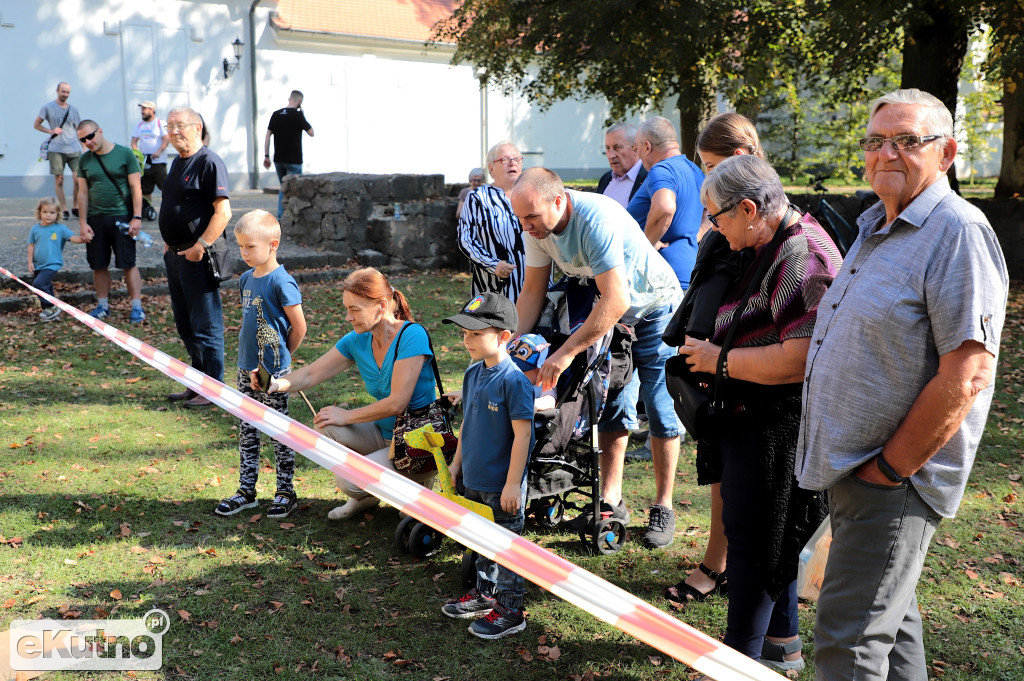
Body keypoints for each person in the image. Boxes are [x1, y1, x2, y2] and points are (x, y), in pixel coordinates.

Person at [796, 88, 1008, 681]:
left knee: (849, 644)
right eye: (876, 140)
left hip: (892, 480)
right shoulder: (875, 224)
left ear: (947, 154)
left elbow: (967, 374)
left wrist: (888, 471)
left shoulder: (958, 232)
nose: (886, 152)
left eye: (908, 140)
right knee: (890, 635)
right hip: (854, 471)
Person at [676, 154, 841, 674]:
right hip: (750, 414)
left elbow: (799, 357)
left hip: (775, 424)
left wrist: (717, 359)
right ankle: (782, 645)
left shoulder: (802, 258)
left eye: (716, 217)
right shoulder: (768, 241)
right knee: (775, 535)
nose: (713, 230)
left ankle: (737, 662)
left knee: (752, 544)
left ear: (749, 209)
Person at [509, 167, 684, 549]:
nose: (526, 226)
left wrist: (566, 352)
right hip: (611, 313)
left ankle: (664, 505)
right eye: (520, 217)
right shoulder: (536, 226)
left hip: (653, 308)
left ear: (559, 201)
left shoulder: (595, 219)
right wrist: (514, 346)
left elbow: (618, 298)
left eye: (532, 217)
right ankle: (611, 499)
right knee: (610, 401)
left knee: (657, 404)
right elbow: (532, 290)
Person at [663, 112, 765, 604]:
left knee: (740, 475)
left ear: (741, 158)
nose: (705, 175)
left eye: (711, 164)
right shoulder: (727, 217)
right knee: (723, 468)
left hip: (746, 365)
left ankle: (723, 566)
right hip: (716, 358)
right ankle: (722, 561)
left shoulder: (761, 226)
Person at [263, 268, 440, 520]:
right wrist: (276, 384)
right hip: (383, 434)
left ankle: (418, 488)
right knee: (325, 428)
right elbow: (312, 373)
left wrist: (346, 416)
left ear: (381, 305)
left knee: (350, 479)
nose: (348, 317)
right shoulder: (357, 340)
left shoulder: (412, 335)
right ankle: (367, 498)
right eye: (347, 309)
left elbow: (397, 403)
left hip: (416, 442)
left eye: (355, 309)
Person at [440, 292, 534, 640]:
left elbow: (523, 437)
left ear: (504, 336)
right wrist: (455, 465)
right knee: (480, 540)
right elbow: (466, 425)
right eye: (464, 332)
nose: (466, 340)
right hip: (474, 479)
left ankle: (511, 610)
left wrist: (513, 484)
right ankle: (485, 594)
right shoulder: (472, 374)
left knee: (508, 548)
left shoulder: (514, 381)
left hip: (501, 485)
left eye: (476, 333)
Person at [215, 210, 307, 519]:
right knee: (247, 429)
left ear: (273, 244)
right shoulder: (244, 279)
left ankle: (285, 491)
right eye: (240, 246)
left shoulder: (283, 283)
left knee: (279, 431)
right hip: (244, 369)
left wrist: (280, 361)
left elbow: (299, 328)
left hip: (273, 374)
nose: (243, 253)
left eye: (250, 247)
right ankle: (246, 491)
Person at [158, 106, 233, 409]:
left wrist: (200, 245)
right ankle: (197, 383)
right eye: (170, 126)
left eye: (180, 125)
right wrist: (169, 243)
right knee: (185, 324)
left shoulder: (209, 162)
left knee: (205, 324)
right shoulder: (177, 162)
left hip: (198, 256)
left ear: (197, 127)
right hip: (175, 256)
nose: (174, 131)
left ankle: (214, 389)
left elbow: (223, 212)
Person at [74, 119, 146, 323]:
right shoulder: (84, 160)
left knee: (128, 263)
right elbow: (83, 193)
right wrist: (82, 223)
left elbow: (136, 188)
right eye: (83, 140)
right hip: (95, 219)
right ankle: (103, 306)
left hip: (122, 217)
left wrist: (137, 217)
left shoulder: (124, 154)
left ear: (100, 131)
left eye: (90, 136)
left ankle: (137, 307)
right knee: (98, 264)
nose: (88, 142)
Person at [627, 116, 704, 290]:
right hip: (688, 271)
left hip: (660, 280)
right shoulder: (695, 170)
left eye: (636, 148)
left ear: (647, 146)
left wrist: (646, 247)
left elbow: (665, 208)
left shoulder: (661, 170)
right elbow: (711, 213)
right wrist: (692, 237)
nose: (637, 154)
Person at [457, 141, 526, 304]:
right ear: (491, 168)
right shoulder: (477, 197)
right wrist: (492, 265)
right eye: (504, 159)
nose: (512, 163)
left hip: (534, 289)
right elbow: (465, 239)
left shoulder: (531, 195)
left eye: (516, 159)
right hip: (493, 290)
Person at [26, 196, 85, 322]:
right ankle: (50, 314)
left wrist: (83, 238)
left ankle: (51, 307)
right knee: (46, 286)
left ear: (57, 214)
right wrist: (30, 261)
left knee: (38, 284)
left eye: (52, 212)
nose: (48, 215)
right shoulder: (35, 228)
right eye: (45, 212)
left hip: (52, 264)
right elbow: (31, 245)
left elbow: (73, 238)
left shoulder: (60, 229)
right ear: (39, 212)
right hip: (38, 264)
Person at [263, 90, 314, 219]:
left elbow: (268, 136)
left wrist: (266, 156)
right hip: (294, 159)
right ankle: (293, 216)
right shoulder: (298, 116)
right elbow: (311, 132)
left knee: (283, 187)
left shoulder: (276, 114)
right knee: (296, 188)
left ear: (289, 99)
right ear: (299, 101)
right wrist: (302, 116)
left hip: (278, 159)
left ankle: (281, 216)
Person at [34, 82, 81, 220]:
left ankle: (76, 206)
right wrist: (50, 130)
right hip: (56, 149)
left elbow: (79, 129)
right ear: (57, 91)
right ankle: (64, 208)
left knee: (78, 179)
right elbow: (36, 124)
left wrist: (84, 145)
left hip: (73, 148)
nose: (65, 95)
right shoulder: (47, 107)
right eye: (63, 92)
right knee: (59, 180)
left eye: (68, 92)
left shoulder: (73, 110)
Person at [131, 100, 170, 221]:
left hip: (158, 161)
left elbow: (166, 139)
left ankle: (168, 210)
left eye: (145, 109)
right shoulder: (139, 125)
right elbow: (133, 142)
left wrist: (158, 152)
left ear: (152, 110)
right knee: (146, 188)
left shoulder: (159, 123)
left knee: (165, 187)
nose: (142, 111)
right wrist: (137, 154)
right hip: (145, 163)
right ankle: (148, 210)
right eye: (141, 109)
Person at [596, 122, 647, 209]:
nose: (611, 155)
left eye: (617, 148)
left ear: (635, 148)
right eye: (608, 148)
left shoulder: (648, 179)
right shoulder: (606, 178)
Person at [507, 333, 557, 410]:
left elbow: (550, 401)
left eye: (522, 371)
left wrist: (533, 404)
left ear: (542, 370)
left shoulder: (543, 384)